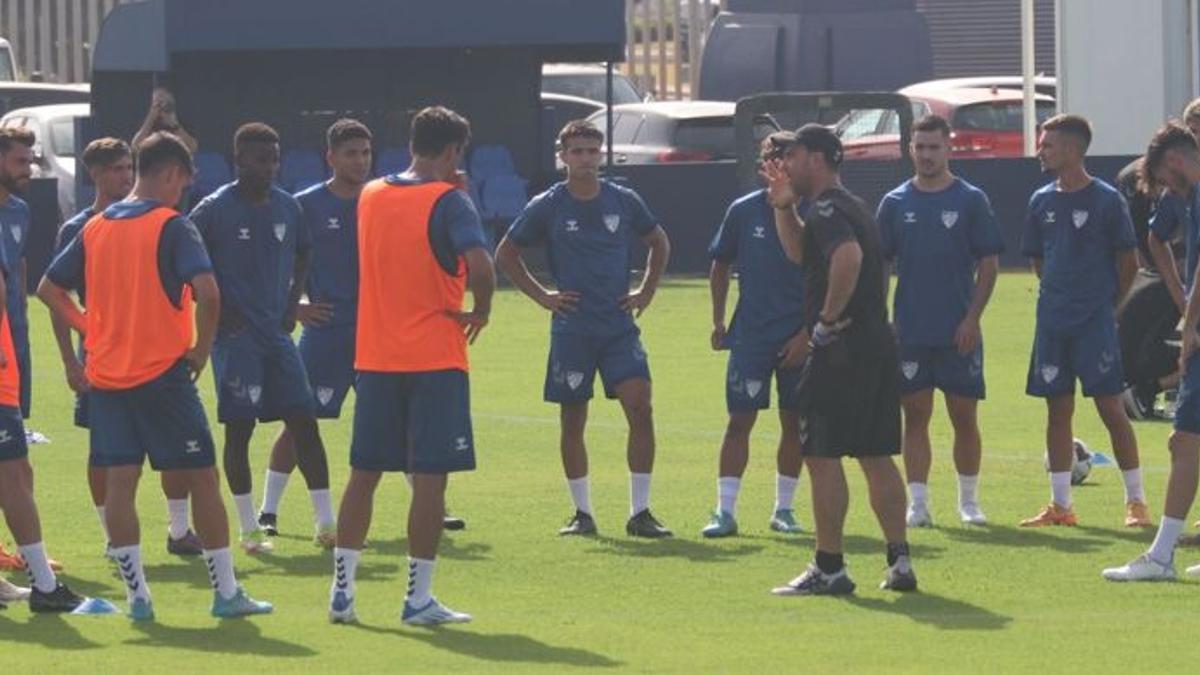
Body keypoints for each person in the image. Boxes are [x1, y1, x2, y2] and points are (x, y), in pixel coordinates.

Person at [38, 131, 271, 619]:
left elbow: (48, 288)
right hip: (162, 375)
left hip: (107, 378)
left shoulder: (97, 226)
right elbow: (208, 293)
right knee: (204, 478)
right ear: (171, 174)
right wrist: (201, 350)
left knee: (121, 483)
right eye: (183, 182)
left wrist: (93, 330)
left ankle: (138, 598)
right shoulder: (172, 225)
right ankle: (226, 593)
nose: (182, 192)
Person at [254, 119, 467, 537]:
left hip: (384, 333)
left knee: (407, 421)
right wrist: (295, 307)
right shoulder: (305, 205)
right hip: (329, 331)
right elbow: (272, 263)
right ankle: (268, 510)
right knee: (302, 421)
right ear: (330, 157)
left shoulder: (385, 198)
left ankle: (432, 506)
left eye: (366, 152)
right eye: (351, 153)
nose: (360, 160)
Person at [328, 106, 493, 625]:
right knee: (429, 479)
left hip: (375, 355)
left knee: (364, 474)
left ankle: (342, 594)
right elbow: (481, 264)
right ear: (451, 152)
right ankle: (417, 598)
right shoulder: (450, 200)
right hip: (435, 357)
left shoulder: (372, 193)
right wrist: (481, 310)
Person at [496, 120, 673, 538]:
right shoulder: (548, 204)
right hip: (573, 329)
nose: (586, 159)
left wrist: (646, 290)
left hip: (617, 327)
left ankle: (641, 511)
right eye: (577, 152)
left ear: (602, 154)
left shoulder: (624, 200)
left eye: (593, 151)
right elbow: (506, 253)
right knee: (573, 419)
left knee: (640, 406)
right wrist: (544, 297)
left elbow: (659, 241)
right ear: (563, 156)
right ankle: (582, 513)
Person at [765, 124, 916, 596]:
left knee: (822, 456)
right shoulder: (847, 206)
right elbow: (799, 253)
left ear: (816, 158)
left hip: (842, 347)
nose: (784, 164)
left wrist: (826, 322)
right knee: (875, 454)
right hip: (875, 343)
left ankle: (829, 567)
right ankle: (900, 561)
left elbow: (845, 258)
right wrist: (784, 206)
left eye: (791, 156)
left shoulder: (829, 208)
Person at [50, 138, 203, 558]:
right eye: (114, 169)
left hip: (155, 355)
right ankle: (111, 538)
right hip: (103, 358)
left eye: (126, 167)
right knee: (106, 455)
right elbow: (54, 295)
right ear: (95, 174)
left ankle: (179, 529)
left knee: (173, 452)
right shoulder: (81, 227)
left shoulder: (162, 221)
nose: (123, 175)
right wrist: (72, 354)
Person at [189, 123, 334, 553]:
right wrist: (218, 307)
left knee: (305, 422)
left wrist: (294, 301)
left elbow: (305, 251)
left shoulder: (288, 207)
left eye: (274, 158)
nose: (269, 166)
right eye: (260, 159)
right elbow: (184, 260)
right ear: (239, 161)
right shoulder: (213, 209)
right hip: (235, 340)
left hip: (275, 335)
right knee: (240, 429)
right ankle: (249, 527)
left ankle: (326, 523)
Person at [1018, 114, 1149, 529]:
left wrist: (1108, 306)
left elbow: (1128, 262)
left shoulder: (1108, 200)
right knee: (1057, 409)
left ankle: (1137, 503)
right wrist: (1061, 297)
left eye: (1048, 144)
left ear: (1073, 150)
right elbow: (1040, 261)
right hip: (1053, 322)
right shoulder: (1040, 200)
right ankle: (1061, 506)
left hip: (1096, 322)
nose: (1041, 150)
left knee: (1111, 408)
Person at [877, 115, 1004, 527]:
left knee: (964, 416)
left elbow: (989, 262)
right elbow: (881, 263)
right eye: (920, 147)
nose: (927, 155)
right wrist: (883, 317)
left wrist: (973, 317)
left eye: (934, 147)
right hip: (911, 330)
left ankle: (968, 501)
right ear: (910, 149)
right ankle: (918, 503)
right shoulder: (895, 203)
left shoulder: (971, 200)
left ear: (949, 149)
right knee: (915, 414)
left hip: (957, 329)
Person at [1104, 122, 1200, 580]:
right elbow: (1156, 240)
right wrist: (1181, 298)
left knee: (1184, 440)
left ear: (1177, 161)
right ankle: (1161, 554)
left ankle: (1161, 558)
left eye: (1163, 177)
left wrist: (1189, 322)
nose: (1163, 188)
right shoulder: (1182, 198)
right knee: (1185, 440)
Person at [702, 133, 807, 538]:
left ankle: (784, 509)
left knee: (795, 423)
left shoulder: (813, 211)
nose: (780, 168)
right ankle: (724, 511)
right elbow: (720, 263)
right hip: (751, 335)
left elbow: (826, 276)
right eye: (773, 160)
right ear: (763, 164)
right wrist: (718, 320)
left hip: (798, 337)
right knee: (738, 422)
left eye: (788, 160)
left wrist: (807, 335)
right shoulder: (742, 211)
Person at [0, 126, 80, 612]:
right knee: (14, 470)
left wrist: (22, 333)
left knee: (17, 469)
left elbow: (20, 277)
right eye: (18, 161)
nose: (28, 168)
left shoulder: (21, 211)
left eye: (30, 160)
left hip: (12, 352)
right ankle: (46, 587)